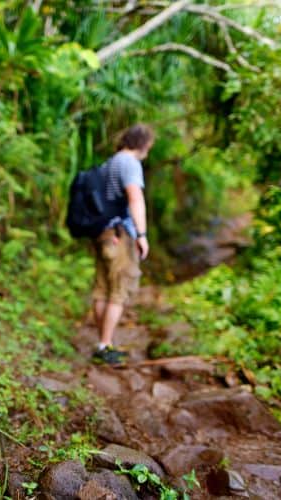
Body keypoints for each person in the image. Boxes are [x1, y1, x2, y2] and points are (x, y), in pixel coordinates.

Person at [91, 124, 154, 366]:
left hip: (103, 232)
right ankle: (105, 346)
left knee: (102, 288)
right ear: (143, 143)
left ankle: (102, 343)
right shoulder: (130, 164)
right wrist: (141, 234)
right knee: (118, 291)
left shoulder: (110, 162)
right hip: (121, 234)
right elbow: (135, 198)